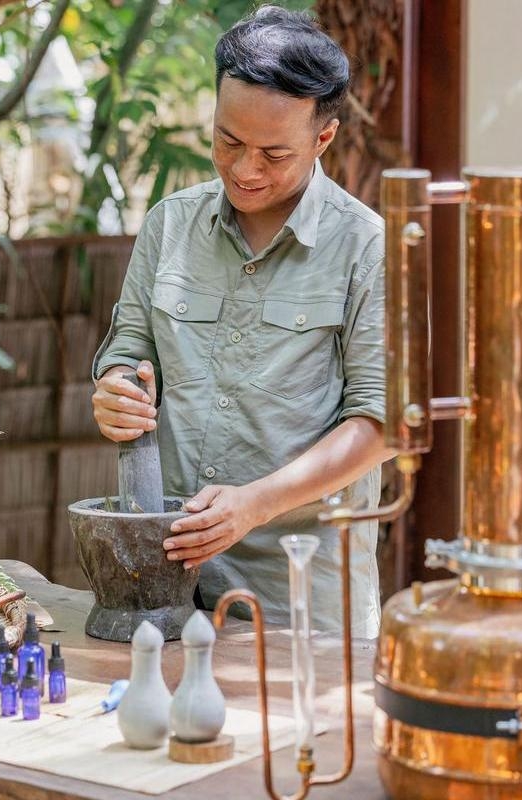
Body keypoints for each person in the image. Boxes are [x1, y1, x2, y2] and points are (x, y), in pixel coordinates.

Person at [90, 5, 389, 636]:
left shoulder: (366, 247)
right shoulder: (170, 224)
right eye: (228, 142)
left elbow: (378, 423)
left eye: (273, 153)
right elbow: (130, 347)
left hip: (300, 594)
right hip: (164, 579)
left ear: (323, 138)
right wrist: (116, 388)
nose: (245, 170)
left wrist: (255, 505)